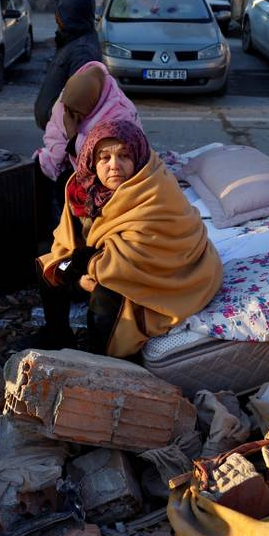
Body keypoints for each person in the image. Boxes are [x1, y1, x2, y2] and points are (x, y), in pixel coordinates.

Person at [37, 119, 223, 358]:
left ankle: (104, 361)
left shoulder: (155, 191)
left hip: (160, 277)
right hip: (96, 263)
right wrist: (76, 275)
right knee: (49, 265)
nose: (114, 165)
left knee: (106, 298)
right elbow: (68, 240)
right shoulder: (83, 191)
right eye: (104, 158)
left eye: (124, 156)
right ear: (92, 161)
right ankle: (57, 334)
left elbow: (141, 257)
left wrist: (90, 269)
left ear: (138, 156)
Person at [36, 60, 141, 183]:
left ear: (93, 105)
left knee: (65, 181)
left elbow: (105, 157)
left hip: (111, 174)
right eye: (69, 110)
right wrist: (61, 151)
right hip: (72, 160)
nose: (71, 116)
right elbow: (54, 128)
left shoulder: (119, 113)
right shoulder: (67, 101)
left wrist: (73, 137)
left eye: (77, 112)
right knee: (41, 165)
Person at [34, 0, 102, 131]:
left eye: (60, 12)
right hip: (57, 131)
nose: (56, 17)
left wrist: (67, 137)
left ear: (71, 15)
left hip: (64, 135)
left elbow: (77, 106)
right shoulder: (72, 39)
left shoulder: (83, 51)